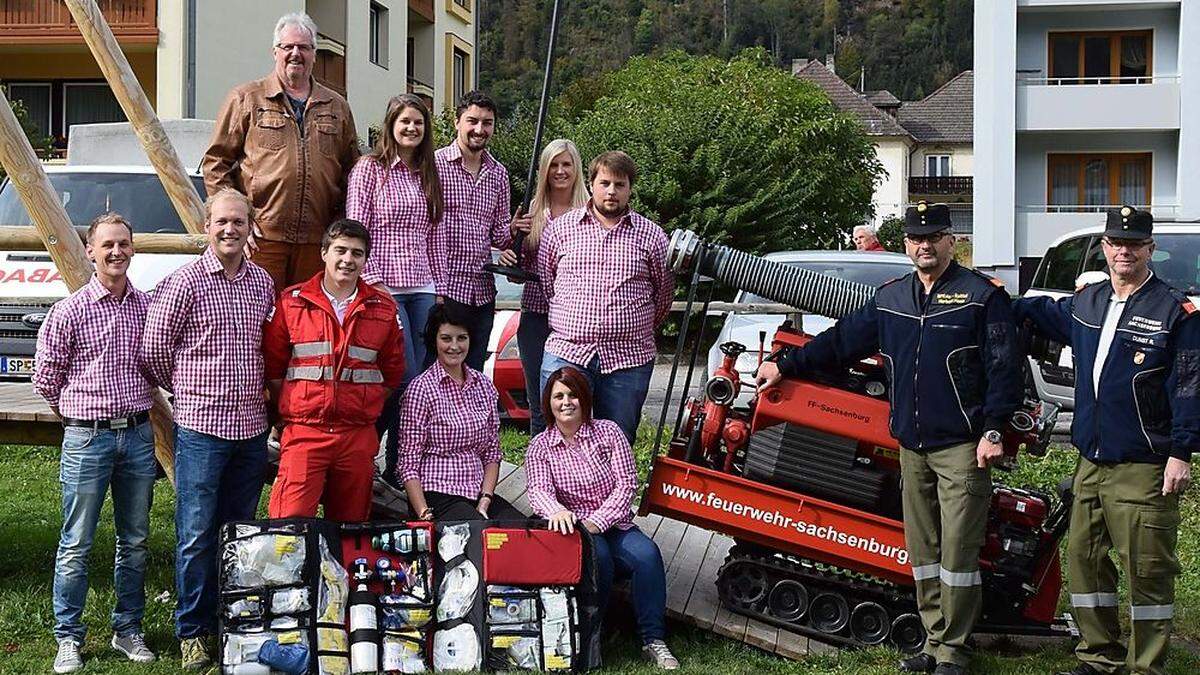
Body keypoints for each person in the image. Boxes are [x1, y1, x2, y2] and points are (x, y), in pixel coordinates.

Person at [755, 201, 1023, 675]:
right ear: (906, 244)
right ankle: (934, 639)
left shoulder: (983, 297)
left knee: (958, 551)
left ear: (951, 242)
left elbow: (1005, 369)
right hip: (911, 444)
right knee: (923, 551)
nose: (925, 245)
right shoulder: (892, 297)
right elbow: (840, 342)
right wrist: (784, 364)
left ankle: (954, 651)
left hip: (962, 444)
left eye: (935, 236)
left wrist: (994, 429)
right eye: (917, 238)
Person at [1015, 206, 1199, 675]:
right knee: (1085, 559)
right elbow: (1038, 312)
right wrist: (989, 294)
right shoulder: (1088, 301)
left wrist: (1181, 452)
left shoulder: (1174, 311)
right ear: (1104, 248)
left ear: (1149, 250)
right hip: (1090, 460)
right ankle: (1099, 656)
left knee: (1146, 571)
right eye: (1116, 243)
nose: (1124, 251)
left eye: (1134, 244)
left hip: (1144, 461)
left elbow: (1190, 385)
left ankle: (1146, 665)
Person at [141, 188, 277, 671]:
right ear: (206, 225)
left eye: (239, 222)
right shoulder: (183, 282)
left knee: (238, 531)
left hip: (251, 430)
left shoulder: (262, 283)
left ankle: (231, 621)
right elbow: (152, 351)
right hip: (202, 427)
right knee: (196, 532)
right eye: (222, 221)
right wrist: (188, 391)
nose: (230, 229)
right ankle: (193, 630)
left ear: (249, 227)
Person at [34, 214, 158, 673]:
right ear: (90, 251)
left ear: (133, 249)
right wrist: (76, 417)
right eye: (107, 245)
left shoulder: (146, 307)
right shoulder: (70, 311)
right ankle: (68, 637)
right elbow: (46, 377)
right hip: (88, 436)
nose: (116, 252)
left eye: (123, 244)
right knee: (77, 541)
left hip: (138, 434)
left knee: (136, 539)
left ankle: (128, 629)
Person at [526, 366, 679, 670]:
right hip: (572, 529)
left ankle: (653, 639)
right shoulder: (540, 446)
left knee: (647, 555)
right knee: (601, 557)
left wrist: (599, 520)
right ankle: (596, 631)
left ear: (584, 398)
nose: (566, 402)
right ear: (549, 403)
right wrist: (556, 511)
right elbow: (538, 490)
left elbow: (626, 484)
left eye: (573, 394)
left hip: (612, 521)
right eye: (559, 396)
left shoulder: (608, 432)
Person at [202, 11, 360, 291]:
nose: (295, 54)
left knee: (307, 321)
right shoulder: (246, 99)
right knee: (261, 319)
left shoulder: (337, 106)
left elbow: (353, 172)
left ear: (314, 53)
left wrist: (339, 227)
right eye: (288, 47)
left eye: (304, 47)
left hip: (318, 241)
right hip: (263, 238)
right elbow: (216, 163)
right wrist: (237, 222)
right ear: (275, 51)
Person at [263, 219, 405, 522]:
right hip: (305, 430)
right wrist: (293, 407)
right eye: (341, 250)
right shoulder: (292, 302)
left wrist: (362, 403)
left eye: (357, 253)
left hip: (356, 433)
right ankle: (293, 572)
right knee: (290, 523)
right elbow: (273, 368)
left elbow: (392, 372)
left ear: (366, 259)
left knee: (351, 527)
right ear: (324, 253)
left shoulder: (383, 308)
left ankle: (341, 572)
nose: (348, 260)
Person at [538, 151, 673, 443]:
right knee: (560, 439)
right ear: (591, 184)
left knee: (618, 442)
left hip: (628, 359)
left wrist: (627, 326)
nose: (612, 191)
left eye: (620, 184)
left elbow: (663, 295)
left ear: (630, 188)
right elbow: (548, 284)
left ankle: (615, 490)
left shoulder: (652, 237)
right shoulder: (560, 230)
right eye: (605, 183)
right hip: (568, 353)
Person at [346, 94, 444, 485]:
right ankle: (365, 446)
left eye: (418, 123)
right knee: (400, 374)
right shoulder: (370, 170)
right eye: (405, 121)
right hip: (383, 284)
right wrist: (370, 280)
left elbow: (433, 235)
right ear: (391, 125)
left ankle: (400, 469)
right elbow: (356, 227)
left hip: (421, 285)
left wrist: (438, 289)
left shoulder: (428, 172)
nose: (411, 128)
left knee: (419, 380)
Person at [397, 304, 525, 521]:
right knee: (482, 540)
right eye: (446, 338)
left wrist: (485, 499)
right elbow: (408, 463)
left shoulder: (484, 385)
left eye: (461, 338)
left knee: (526, 533)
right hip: (435, 493)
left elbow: (492, 452)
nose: (454, 346)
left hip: (477, 491)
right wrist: (423, 513)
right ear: (434, 340)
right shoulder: (421, 389)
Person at [433, 90, 530, 371]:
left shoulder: (498, 173)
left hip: (482, 293)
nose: (479, 129)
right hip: (445, 289)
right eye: (472, 121)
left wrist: (513, 231)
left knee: (472, 373)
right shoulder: (435, 165)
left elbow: (499, 235)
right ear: (457, 122)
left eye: (487, 123)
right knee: (437, 372)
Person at [497, 138, 588, 437]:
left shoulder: (591, 211)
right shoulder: (532, 211)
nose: (560, 171)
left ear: (576, 168)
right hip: (536, 316)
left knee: (576, 400)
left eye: (566, 164)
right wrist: (513, 249)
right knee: (540, 402)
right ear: (544, 171)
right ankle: (541, 470)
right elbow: (517, 273)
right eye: (554, 165)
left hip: (578, 321)